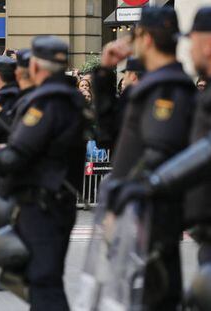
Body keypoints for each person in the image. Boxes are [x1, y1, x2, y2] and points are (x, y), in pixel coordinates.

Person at [0, 36, 86, 311]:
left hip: (44, 204)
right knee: (43, 282)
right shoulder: (66, 98)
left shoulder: (47, 103)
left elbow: (17, 156)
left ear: (35, 68)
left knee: (43, 283)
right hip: (52, 201)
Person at [108, 7, 211, 310]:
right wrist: (103, 76)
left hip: (156, 213)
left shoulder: (170, 88)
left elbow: (168, 151)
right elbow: (110, 130)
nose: (189, 49)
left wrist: (142, 185)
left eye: (192, 40)